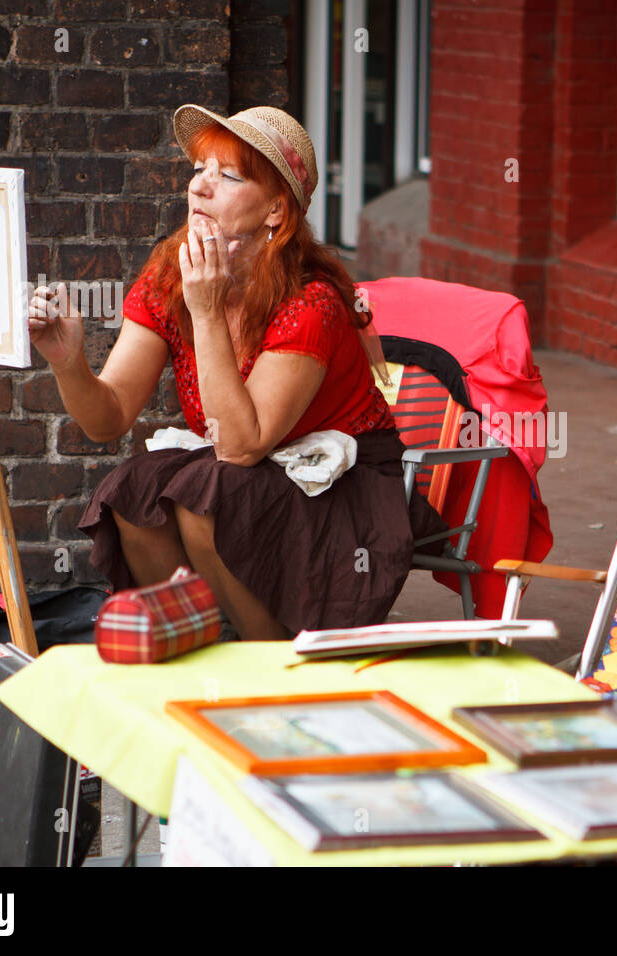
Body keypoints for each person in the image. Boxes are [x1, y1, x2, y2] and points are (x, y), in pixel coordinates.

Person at [28, 104, 444, 640]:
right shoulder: (170, 272)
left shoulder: (309, 302)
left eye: (227, 176)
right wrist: (69, 363)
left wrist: (206, 313)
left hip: (341, 489)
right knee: (130, 491)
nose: (200, 188)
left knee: (209, 496)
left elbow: (241, 445)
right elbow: (108, 421)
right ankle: (196, 642)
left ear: (275, 210)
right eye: (200, 168)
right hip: (248, 474)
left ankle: (265, 658)